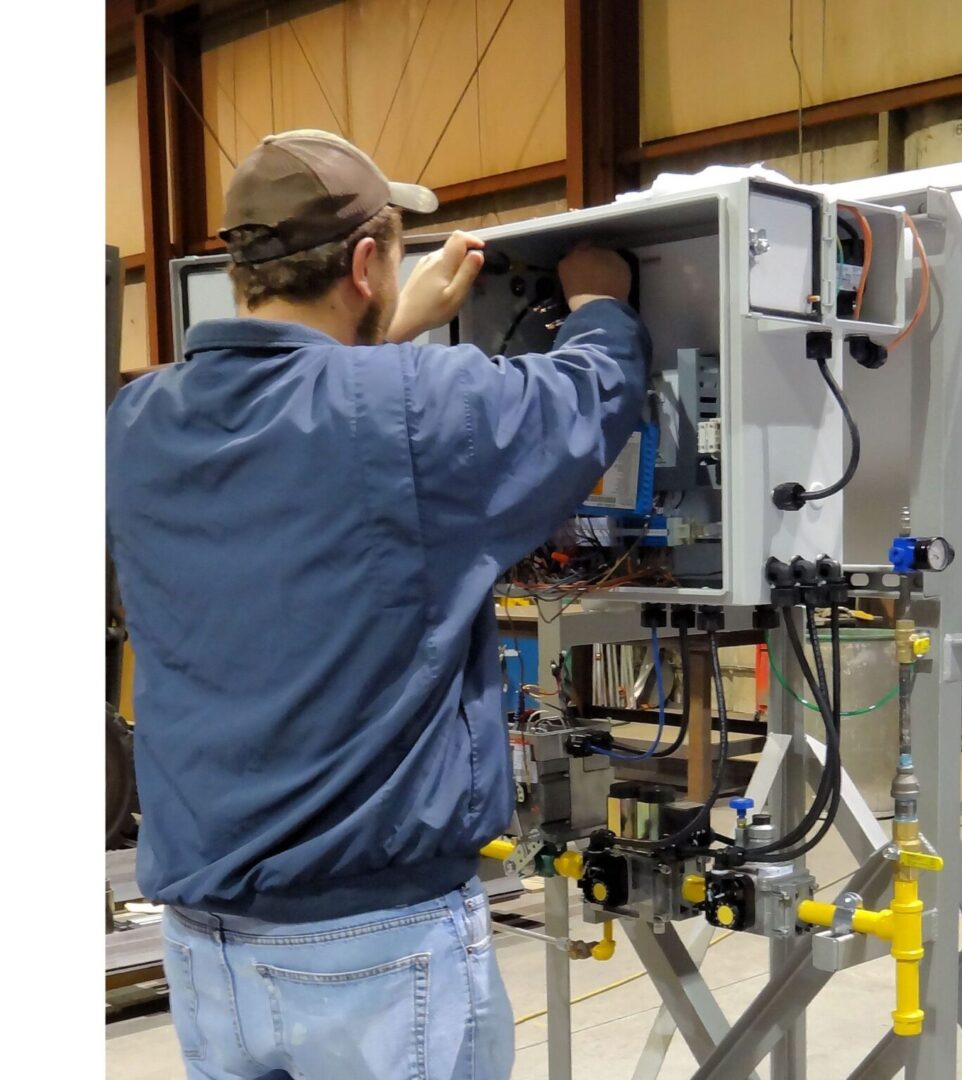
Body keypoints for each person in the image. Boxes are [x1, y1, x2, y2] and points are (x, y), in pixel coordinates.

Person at [106, 129, 650, 1080]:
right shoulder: (415, 408)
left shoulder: (137, 423)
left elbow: (285, 415)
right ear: (367, 262)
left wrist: (387, 335)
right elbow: (584, 400)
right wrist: (601, 301)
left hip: (205, 952)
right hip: (374, 948)